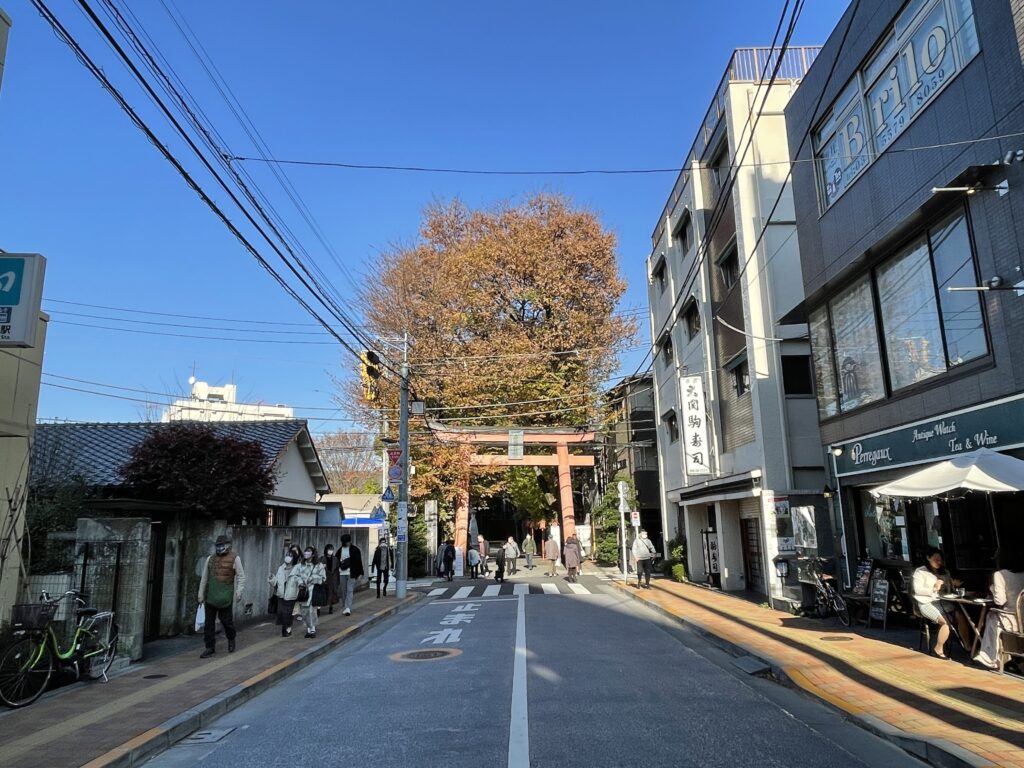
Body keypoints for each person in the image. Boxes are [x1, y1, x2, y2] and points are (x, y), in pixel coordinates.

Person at [911, 547, 971, 658]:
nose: (939, 562)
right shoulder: (921, 571)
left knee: (960, 615)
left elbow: (947, 588)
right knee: (945, 622)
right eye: (936, 559)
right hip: (925, 602)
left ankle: (968, 646)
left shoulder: (943, 571)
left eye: (940, 559)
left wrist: (953, 585)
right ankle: (938, 648)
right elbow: (917, 589)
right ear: (928, 558)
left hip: (941, 601)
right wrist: (933, 588)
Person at [974, 548, 1024, 670]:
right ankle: (1011, 657)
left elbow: (999, 601)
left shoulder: (1000, 574)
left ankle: (992, 658)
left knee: (991, 617)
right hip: (1022, 617)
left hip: (1012, 620)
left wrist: (992, 588)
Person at [197, 534, 246, 658]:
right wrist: (200, 594)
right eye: (218, 545)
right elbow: (204, 578)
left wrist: (239, 591)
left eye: (222, 545)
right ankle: (209, 647)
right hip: (210, 597)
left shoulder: (235, 558)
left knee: (227, 622)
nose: (220, 548)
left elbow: (241, 576)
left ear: (228, 545)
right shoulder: (210, 559)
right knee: (209, 624)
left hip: (225, 597)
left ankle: (231, 638)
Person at [293, 546, 326, 638]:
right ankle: (308, 628)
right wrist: (300, 582)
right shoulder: (300, 565)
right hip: (303, 591)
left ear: (313, 554)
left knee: (312, 610)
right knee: (304, 610)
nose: (306, 553)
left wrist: (313, 578)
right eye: (305, 551)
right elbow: (295, 576)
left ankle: (313, 629)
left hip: (314, 590)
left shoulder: (318, 565)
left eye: (309, 552)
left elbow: (323, 578)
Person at [269, 549, 301, 637]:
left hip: (291, 594)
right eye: (287, 555)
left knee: (288, 613)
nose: (288, 557)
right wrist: (272, 579)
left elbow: (300, 581)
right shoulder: (281, 568)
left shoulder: (297, 569)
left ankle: (287, 629)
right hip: (281, 593)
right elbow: (276, 582)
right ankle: (285, 627)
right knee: (280, 612)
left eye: (290, 555)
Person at [337, 533, 364, 616]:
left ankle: (348, 607)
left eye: (348, 541)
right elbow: (336, 561)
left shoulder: (355, 550)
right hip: (342, 573)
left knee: (350, 590)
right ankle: (345, 607)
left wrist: (361, 573)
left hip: (351, 573)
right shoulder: (339, 550)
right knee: (343, 591)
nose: (347, 543)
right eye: (346, 542)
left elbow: (359, 562)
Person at [322, 543, 341, 614]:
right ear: (326, 550)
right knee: (324, 593)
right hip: (325, 577)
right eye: (329, 549)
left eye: (331, 549)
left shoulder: (335, 559)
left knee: (332, 593)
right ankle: (318, 608)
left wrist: (338, 580)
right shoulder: (322, 558)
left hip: (333, 578)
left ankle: (331, 607)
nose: (330, 551)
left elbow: (337, 570)